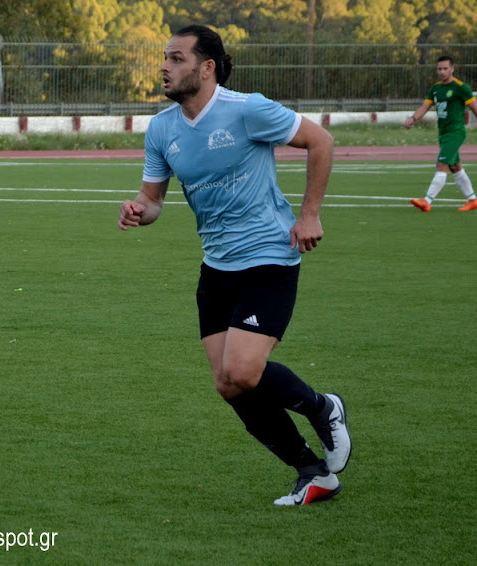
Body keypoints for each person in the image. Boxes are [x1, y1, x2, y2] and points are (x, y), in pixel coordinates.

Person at [118, 25, 351, 506]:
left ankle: (322, 407)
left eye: (176, 58)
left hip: (268, 257)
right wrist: (140, 210)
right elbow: (153, 199)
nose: (164, 66)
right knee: (228, 384)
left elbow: (321, 141)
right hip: (216, 268)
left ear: (206, 67)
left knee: (243, 371)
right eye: (165, 57)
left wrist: (309, 214)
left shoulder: (247, 110)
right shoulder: (161, 129)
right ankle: (313, 473)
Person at [405, 56, 477, 212]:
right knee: (455, 166)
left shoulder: (461, 88)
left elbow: (474, 108)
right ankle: (472, 199)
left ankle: (427, 200)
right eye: (439, 69)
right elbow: (425, 106)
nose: (442, 72)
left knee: (441, 164)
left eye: (445, 68)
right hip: (443, 132)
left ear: (452, 69)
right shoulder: (435, 88)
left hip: (455, 132)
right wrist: (413, 118)